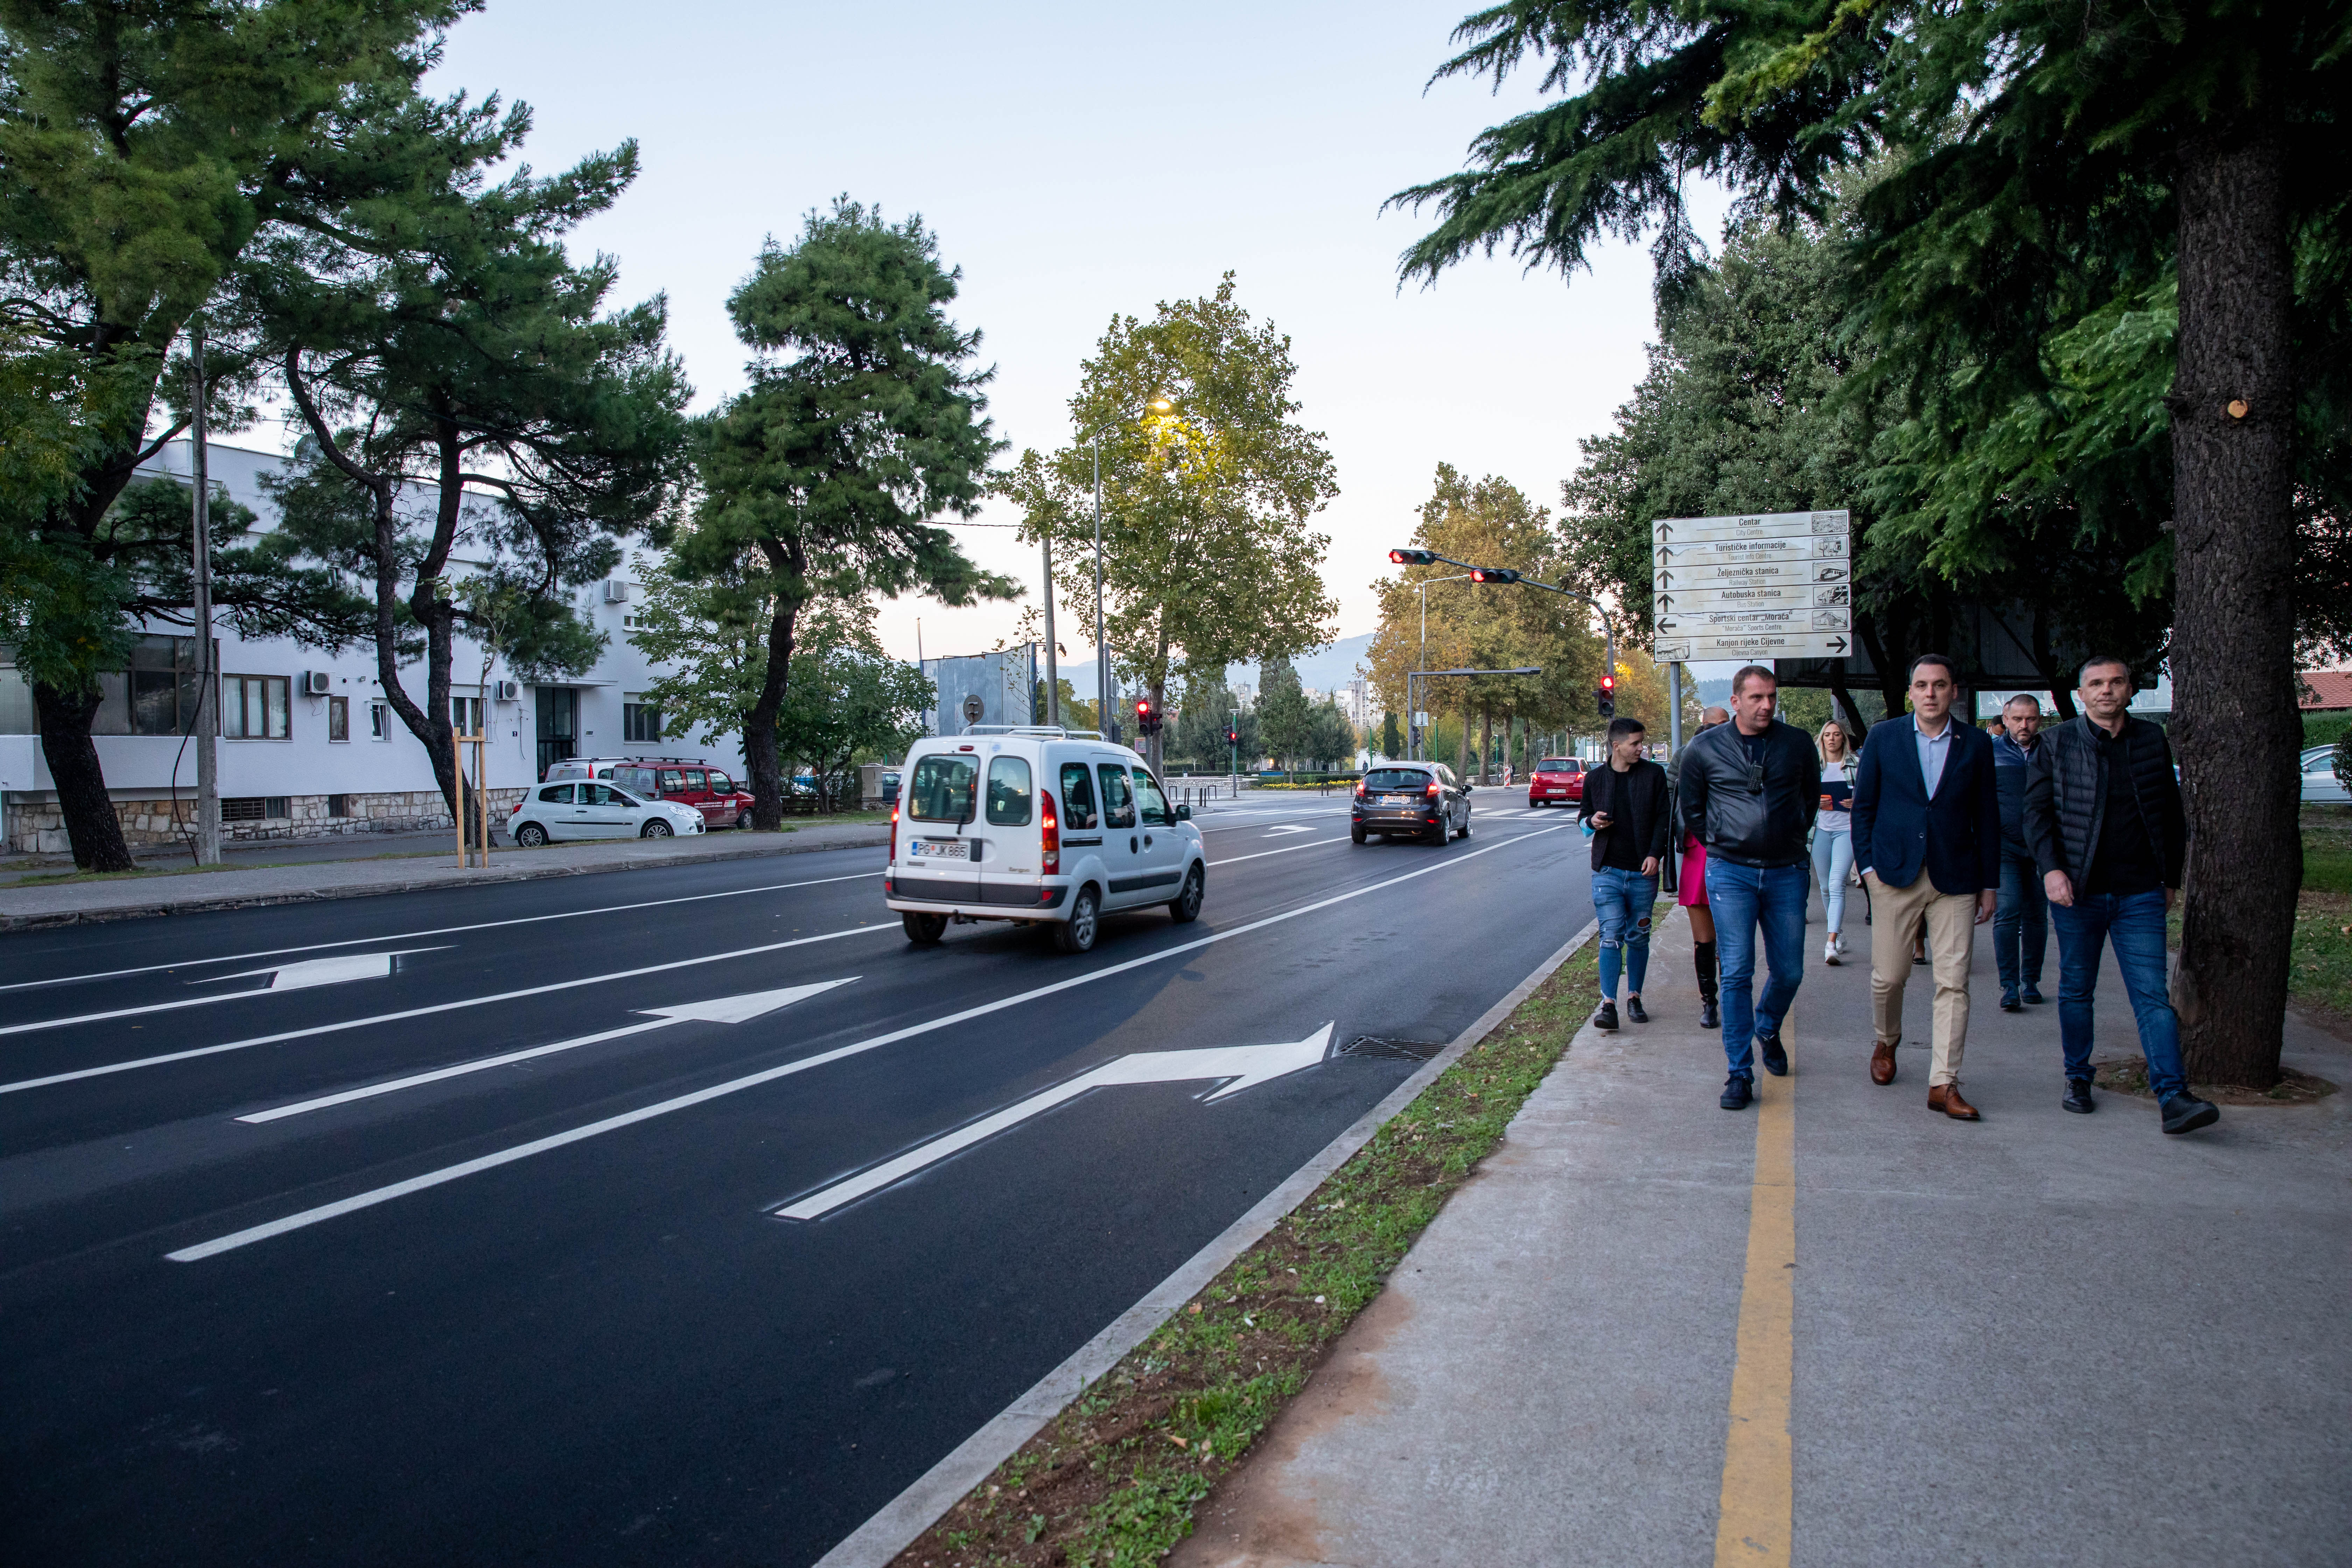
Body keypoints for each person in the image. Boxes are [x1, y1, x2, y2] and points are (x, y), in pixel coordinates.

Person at [2024, 655, 2217, 1133]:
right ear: (2082, 693)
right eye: (2096, 684)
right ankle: (2077, 1078)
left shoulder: (2152, 739)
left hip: (2140, 893)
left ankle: (2173, 1097)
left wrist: (2169, 878)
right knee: (2076, 990)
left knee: (2152, 995)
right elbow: (2037, 817)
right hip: (2078, 892)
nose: (2107, 690)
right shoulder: (2054, 743)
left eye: (2116, 682)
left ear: (2130, 689)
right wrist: (2051, 871)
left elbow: (2172, 815)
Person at [1851, 653, 2001, 1120]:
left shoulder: (1976, 744)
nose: (1931, 693)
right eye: (1923, 685)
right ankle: (1888, 1040)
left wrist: (1990, 883)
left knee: (1953, 983)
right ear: (1911, 693)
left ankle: (1944, 1083)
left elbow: (1988, 817)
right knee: (1889, 976)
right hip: (1894, 875)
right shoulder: (1884, 737)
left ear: (1953, 691)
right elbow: (1864, 808)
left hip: (1956, 878)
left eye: (1940, 685)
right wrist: (1870, 868)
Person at [1680, 672, 1819, 1110]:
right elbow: (1692, 809)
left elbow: (1810, 799)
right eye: (1756, 698)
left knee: (1790, 971)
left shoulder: (1797, 743)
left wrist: (1790, 835)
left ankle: (1768, 1025)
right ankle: (1739, 1073)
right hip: (1731, 873)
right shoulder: (1704, 748)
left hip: (1786, 870)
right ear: (1736, 701)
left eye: (1772, 697)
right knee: (1737, 972)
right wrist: (1722, 842)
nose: (1766, 705)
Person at [1582, 715, 1669, 1030]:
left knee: (1639, 936)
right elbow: (1582, 820)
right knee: (1611, 935)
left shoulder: (1654, 775)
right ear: (1616, 746)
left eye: (1642, 743)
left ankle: (1634, 997)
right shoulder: (1595, 779)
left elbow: (1663, 819)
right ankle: (1609, 1005)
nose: (1641, 749)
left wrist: (1655, 854)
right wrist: (1591, 823)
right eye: (1635, 744)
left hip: (1643, 873)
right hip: (1607, 871)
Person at [1675, 705, 1732, 1030]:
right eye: (1713, 725)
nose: (1718, 730)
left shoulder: (1743, 754)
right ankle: (1709, 1002)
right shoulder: (1688, 756)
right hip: (1698, 849)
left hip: (1733, 850)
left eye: (1724, 724)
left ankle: (1733, 998)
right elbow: (1675, 796)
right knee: (1704, 939)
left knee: (1732, 938)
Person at [1991, 693, 2049, 1010]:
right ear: (2006, 718)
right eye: (2017, 719)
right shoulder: (1992, 753)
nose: (2024, 725)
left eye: (2031, 719)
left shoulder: (2052, 751)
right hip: (2005, 847)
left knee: (2037, 915)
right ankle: (2009, 985)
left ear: (2039, 719)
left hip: (2043, 847)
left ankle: (2031, 981)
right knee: (2008, 911)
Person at [1813, 718, 1856, 966]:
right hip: (1820, 831)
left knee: (1836, 883)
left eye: (1836, 734)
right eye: (1827, 734)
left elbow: (1872, 795)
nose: (1831, 738)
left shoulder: (1856, 765)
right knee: (1826, 887)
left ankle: (1830, 944)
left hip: (1846, 831)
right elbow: (1801, 796)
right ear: (1822, 739)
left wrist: (1857, 802)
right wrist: (1814, 801)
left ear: (1843, 738)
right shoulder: (1813, 767)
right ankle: (1838, 932)